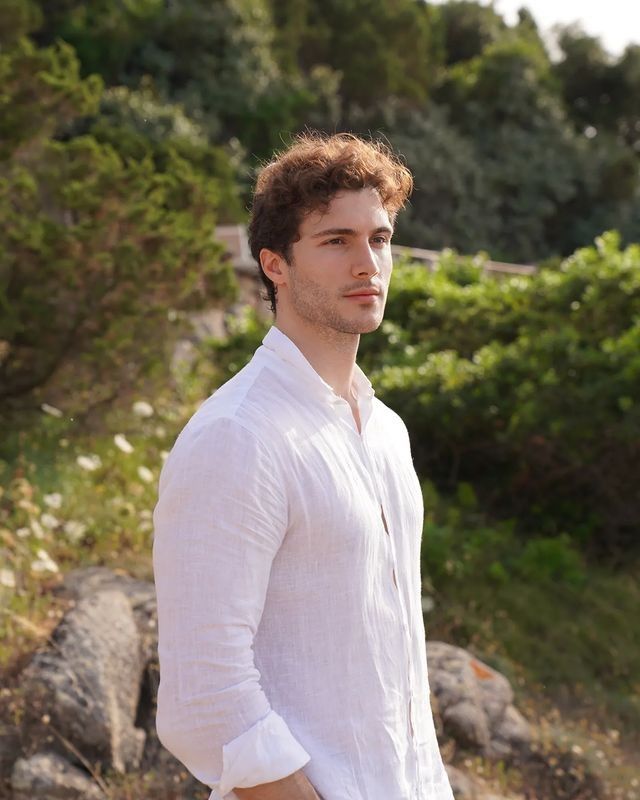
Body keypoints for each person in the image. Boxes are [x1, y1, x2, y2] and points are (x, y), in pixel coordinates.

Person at [152, 132, 454, 800]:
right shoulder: (237, 437)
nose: (366, 264)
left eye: (379, 239)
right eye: (335, 241)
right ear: (275, 265)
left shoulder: (386, 433)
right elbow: (204, 699)